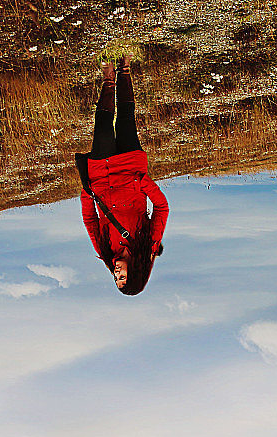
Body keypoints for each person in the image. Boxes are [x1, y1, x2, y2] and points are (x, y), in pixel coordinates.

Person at [79, 55, 168, 295]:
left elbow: (90, 219)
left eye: (115, 279)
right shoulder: (149, 244)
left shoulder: (105, 250)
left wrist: (88, 193)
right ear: (136, 273)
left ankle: (108, 77)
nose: (116, 274)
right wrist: (142, 182)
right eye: (122, 278)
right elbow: (161, 207)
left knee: (103, 125)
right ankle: (124, 68)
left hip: (102, 176)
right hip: (131, 170)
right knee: (127, 120)